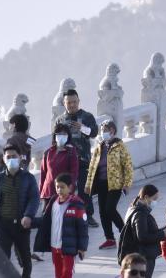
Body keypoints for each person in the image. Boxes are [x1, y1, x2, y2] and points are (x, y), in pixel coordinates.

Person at [0, 145, 41, 278]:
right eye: (8, 157)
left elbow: (34, 198)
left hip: (21, 225)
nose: (11, 159)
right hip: (3, 225)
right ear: (3, 159)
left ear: (20, 158)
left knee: (26, 260)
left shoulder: (28, 178)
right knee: (3, 260)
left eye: (14, 156)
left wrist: (28, 215)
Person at [85, 119, 134, 250]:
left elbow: (128, 166)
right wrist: (88, 184)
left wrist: (127, 184)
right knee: (102, 212)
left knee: (110, 209)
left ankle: (126, 233)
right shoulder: (99, 147)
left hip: (115, 184)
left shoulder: (120, 146)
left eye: (106, 130)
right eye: (102, 130)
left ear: (113, 131)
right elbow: (92, 166)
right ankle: (110, 239)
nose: (104, 132)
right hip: (100, 183)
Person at [55, 88, 100, 227]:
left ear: (78, 101)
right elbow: (55, 138)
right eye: (69, 102)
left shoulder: (87, 116)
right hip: (65, 160)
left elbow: (94, 132)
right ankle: (67, 215)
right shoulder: (60, 120)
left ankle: (88, 215)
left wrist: (82, 128)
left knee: (84, 189)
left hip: (83, 159)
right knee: (66, 188)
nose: (72, 105)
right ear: (64, 103)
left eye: (74, 102)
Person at [33, 173, 89, 278]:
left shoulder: (77, 204)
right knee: (58, 273)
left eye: (62, 187)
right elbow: (45, 220)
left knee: (67, 273)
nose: (59, 190)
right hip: (55, 246)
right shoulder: (53, 202)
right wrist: (31, 222)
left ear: (70, 187)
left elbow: (83, 228)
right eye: (57, 187)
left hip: (69, 247)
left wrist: (82, 247)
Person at [119, 184, 166, 278]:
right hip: (144, 255)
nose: (156, 202)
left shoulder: (134, 208)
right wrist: (163, 234)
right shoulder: (140, 214)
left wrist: (165, 229)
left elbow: (146, 232)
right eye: (154, 199)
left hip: (140, 254)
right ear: (146, 197)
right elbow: (142, 237)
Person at [40, 123, 80, 213]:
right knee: (46, 220)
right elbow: (43, 173)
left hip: (63, 192)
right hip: (48, 192)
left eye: (64, 134)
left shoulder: (71, 152)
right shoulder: (48, 152)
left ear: (68, 136)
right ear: (55, 136)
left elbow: (74, 173)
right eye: (59, 134)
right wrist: (41, 192)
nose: (61, 136)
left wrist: (70, 190)